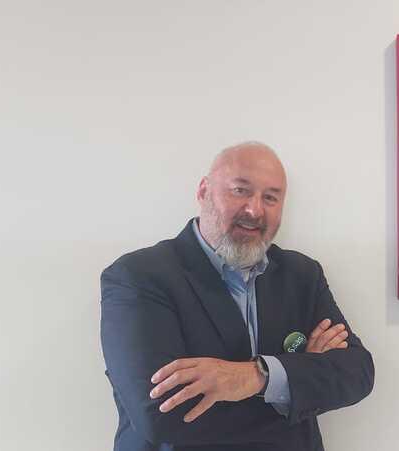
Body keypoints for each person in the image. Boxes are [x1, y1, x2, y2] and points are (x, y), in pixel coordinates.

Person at [100, 142, 374, 451]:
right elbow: (162, 415)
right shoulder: (138, 276)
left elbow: (358, 373)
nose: (254, 209)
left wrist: (257, 376)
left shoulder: (302, 275)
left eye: (270, 197)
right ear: (204, 191)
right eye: (240, 191)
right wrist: (297, 382)